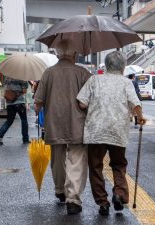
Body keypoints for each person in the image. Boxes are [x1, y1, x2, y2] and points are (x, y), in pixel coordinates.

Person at [77, 51, 146, 216]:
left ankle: (102, 203)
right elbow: (135, 104)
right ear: (122, 67)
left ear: (106, 66)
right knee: (118, 164)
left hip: (95, 131)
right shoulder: (126, 83)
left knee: (95, 167)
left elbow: (81, 104)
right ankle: (120, 194)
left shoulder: (94, 80)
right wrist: (140, 117)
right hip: (117, 130)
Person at [34, 39, 91, 215]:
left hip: (54, 122)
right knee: (76, 159)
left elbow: (38, 102)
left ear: (58, 54)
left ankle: (60, 190)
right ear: (74, 54)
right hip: (78, 123)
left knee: (57, 158)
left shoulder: (48, 73)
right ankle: (72, 198)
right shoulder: (83, 73)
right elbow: (90, 100)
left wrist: (39, 111)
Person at [0, 78, 29, 145]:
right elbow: (24, 91)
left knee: (9, 121)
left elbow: (6, 90)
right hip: (20, 103)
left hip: (9, 103)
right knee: (24, 120)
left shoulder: (7, 79)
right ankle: (25, 139)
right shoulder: (22, 77)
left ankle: (0, 134)